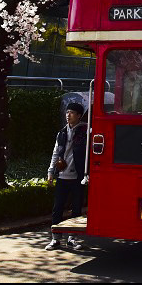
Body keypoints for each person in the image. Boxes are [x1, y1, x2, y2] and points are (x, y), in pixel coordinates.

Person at [45, 101, 88, 250]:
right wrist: (51, 172)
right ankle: (55, 238)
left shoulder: (86, 131)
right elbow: (55, 153)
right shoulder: (62, 132)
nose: (68, 115)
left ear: (79, 116)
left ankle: (72, 239)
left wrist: (88, 173)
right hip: (62, 176)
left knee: (76, 209)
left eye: (71, 113)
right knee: (57, 208)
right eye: (67, 112)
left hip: (78, 177)